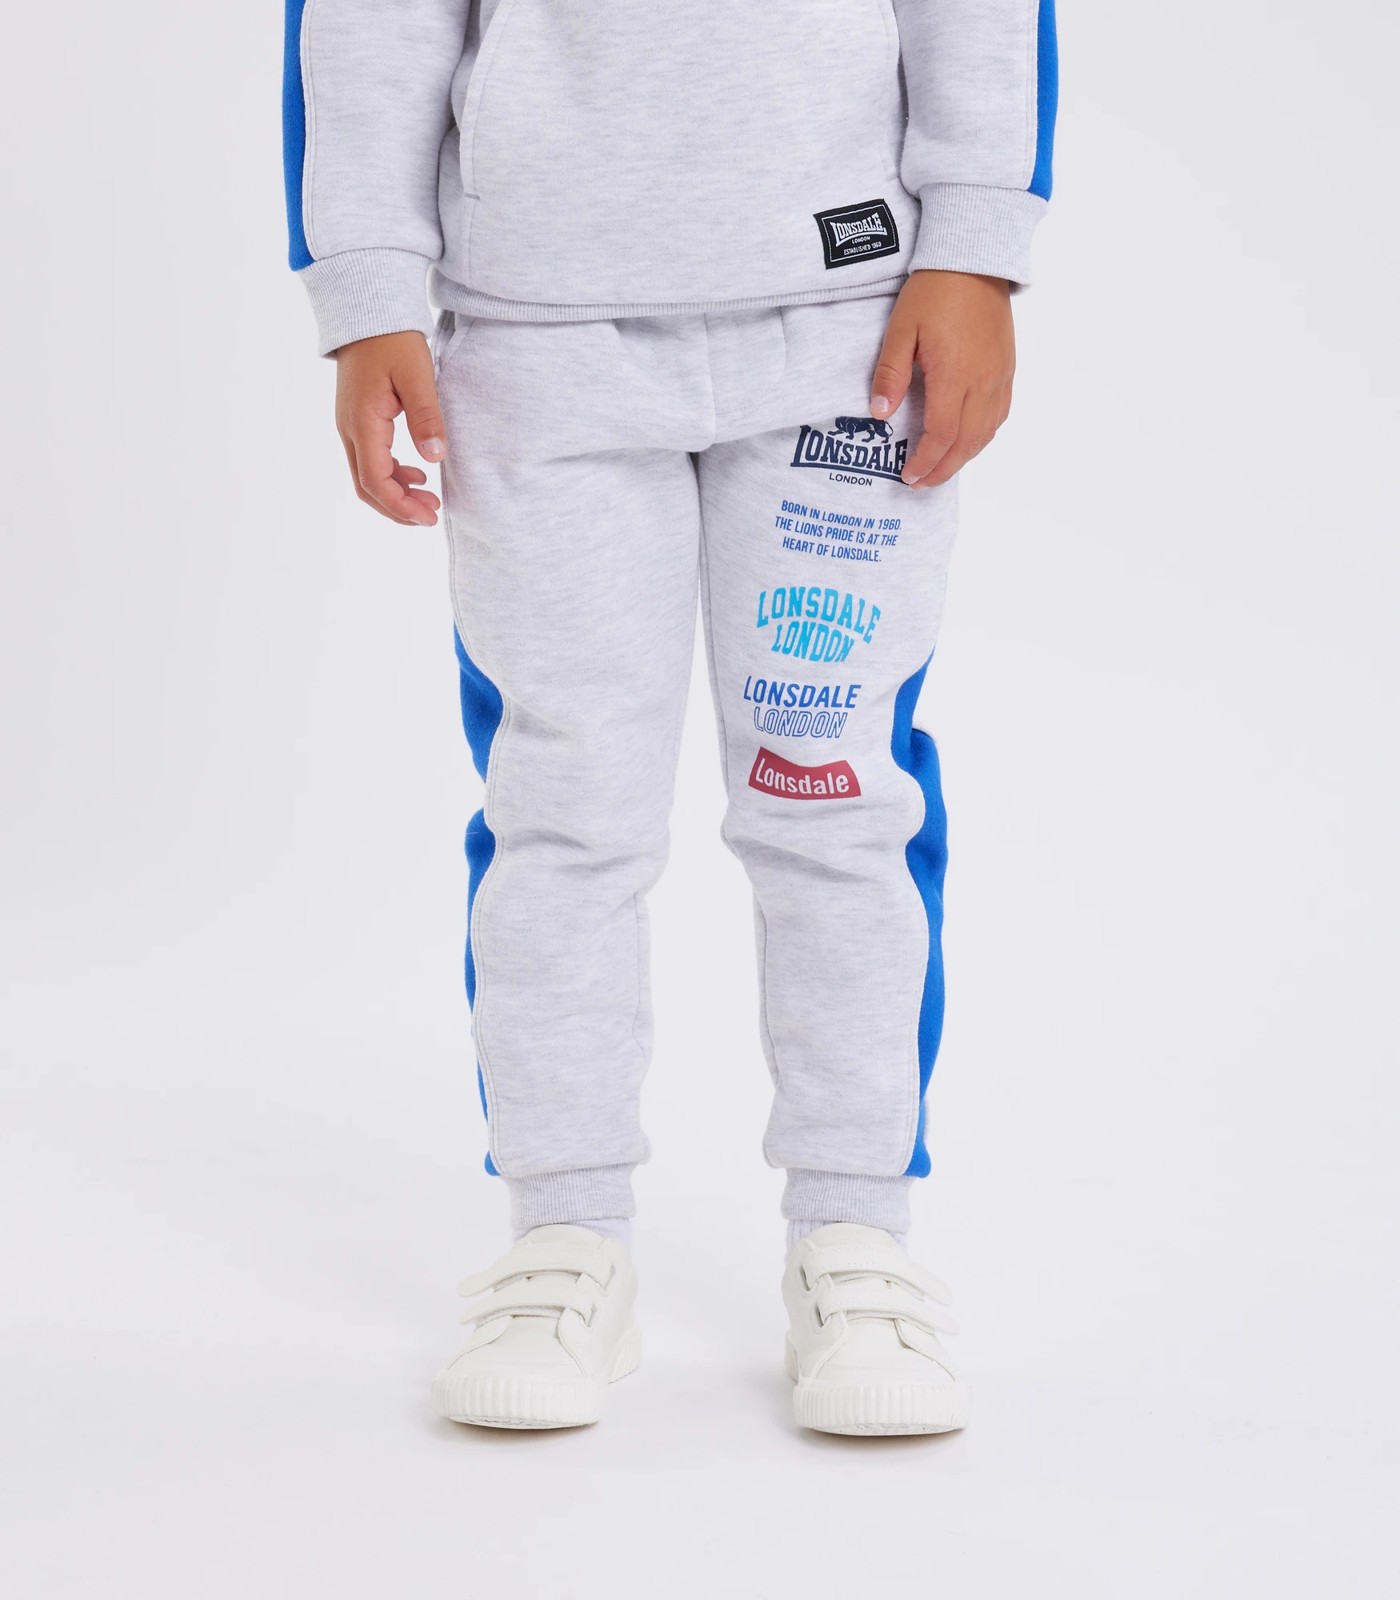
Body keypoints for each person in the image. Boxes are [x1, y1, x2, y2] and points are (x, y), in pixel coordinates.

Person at [282, 0, 1057, 1436]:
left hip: (850, 322)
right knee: (564, 806)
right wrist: (367, 288)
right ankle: (565, 1235)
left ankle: (855, 1233)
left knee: (834, 795)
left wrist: (976, 247)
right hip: (533, 337)